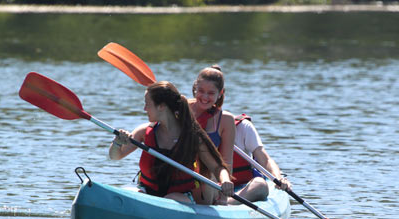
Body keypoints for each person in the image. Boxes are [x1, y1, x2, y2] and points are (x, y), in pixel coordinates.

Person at [109, 81, 234, 204]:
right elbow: (115, 156)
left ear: (162, 106)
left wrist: (225, 180)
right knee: (132, 193)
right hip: (147, 192)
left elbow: (217, 168)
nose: (144, 108)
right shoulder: (143, 132)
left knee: (171, 199)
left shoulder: (193, 137)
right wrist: (117, 143)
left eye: (148, 104)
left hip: (180, 197)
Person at [189, 66, 270, 204]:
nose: (204, 97)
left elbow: (226, 163)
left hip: (208, 178)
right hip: (183, 173)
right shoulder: (183, 107)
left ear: (220, 94)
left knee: (260, 186)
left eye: (211, 93)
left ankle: (225, 203)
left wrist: (224, 189)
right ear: (195, 88)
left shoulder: (226, 120)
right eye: (201, 91)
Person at [233, 114, 291, 193]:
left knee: (259, 184)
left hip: (242, 186)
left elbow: (265, 160)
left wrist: (278, 178)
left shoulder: (243, 126)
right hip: (214, 187)